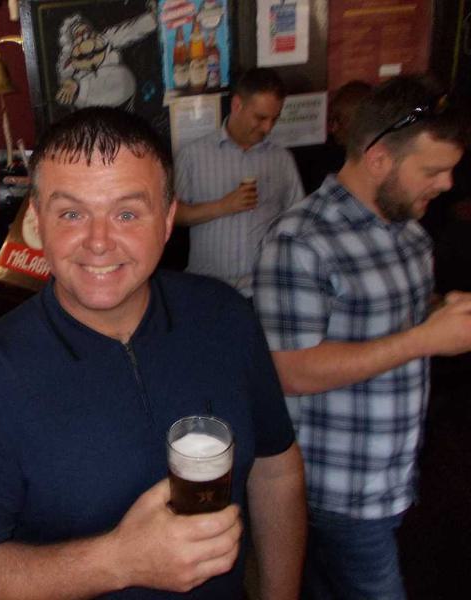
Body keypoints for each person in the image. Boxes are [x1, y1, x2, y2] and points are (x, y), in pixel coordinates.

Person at [0, 106, 306, 599]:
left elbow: (277, 470)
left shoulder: (227, 318)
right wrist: (118, 562)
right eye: (71, 214)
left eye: (127, 213)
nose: (99, 242)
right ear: (37, 223)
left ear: (167, 221)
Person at [253, 74, 471, 599]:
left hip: (392, 472)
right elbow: (290, 370)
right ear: (378, 159)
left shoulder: (409, 229)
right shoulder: (301, 241)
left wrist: (442, 311)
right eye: (433, 170)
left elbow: (386, 320)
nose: (447, 184)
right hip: (335, 489)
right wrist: (426, 339)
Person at [174, 67, 303, 297]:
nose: (268, 127)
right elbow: (174, 214)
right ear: (237, 105)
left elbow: (298, 219)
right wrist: (223, 206)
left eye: (275, 119)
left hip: (265, 288)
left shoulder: (282, 159)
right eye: (260, 118)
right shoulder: (193, 155)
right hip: (208, 289)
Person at [296, 80, 373, 194]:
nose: (333, 129)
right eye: (331, 120)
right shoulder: (321, 158)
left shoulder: (383, 157)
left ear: (360, 123)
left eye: (339, 120)